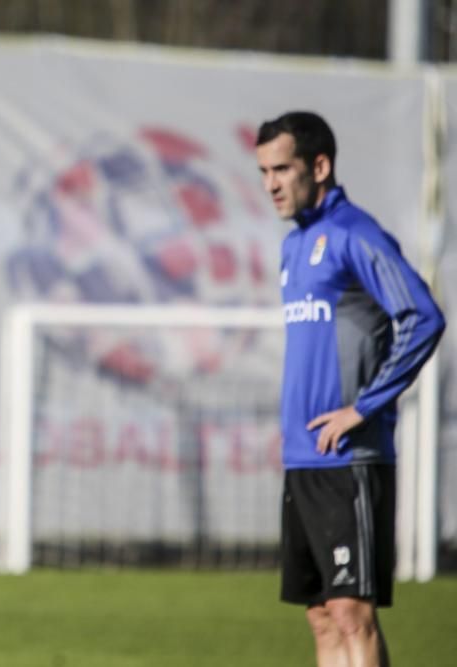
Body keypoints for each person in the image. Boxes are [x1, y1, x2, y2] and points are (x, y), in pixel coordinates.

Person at [255, 111, 445, 667]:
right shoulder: (295, 247)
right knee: (321, 616)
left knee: (351, 613)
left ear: (320, 165)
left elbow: (423, 316)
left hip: (350, 459)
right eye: (264, 171)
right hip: (304, 457)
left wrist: (362, 409)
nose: (270, 183)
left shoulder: (352, 234)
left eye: (282, 169)